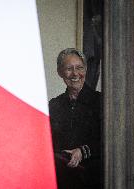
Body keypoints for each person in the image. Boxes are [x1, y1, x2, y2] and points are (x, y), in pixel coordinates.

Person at [49, 48, 101, 189]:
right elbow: (46, 141)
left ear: (85, 71)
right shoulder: (54, 105)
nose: (75, 74)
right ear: (60, 72)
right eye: (69, 69)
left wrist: (82, 151)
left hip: (93, 179)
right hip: (62, 178)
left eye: (79, 68)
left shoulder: (101, 102)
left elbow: (112, 141)